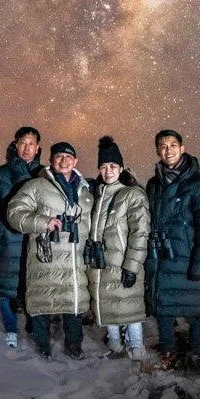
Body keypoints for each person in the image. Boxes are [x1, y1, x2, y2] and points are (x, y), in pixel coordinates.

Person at [4, 139, 93, 359]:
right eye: (59, 157)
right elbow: (14, 213)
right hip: (46, 257)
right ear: (51, 161)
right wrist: (43, 222)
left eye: (68, 157)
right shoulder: (35, 186)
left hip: (74, 259)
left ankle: (74, 347)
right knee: (42, 303)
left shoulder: (85, 190)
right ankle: (42, 349)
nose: (64, 161)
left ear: (76, 161)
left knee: (73, 304)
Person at [146, 128, 200, 367]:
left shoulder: (198, 184)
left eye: (173, 145)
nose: (168, 150)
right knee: (163, 308)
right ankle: (169, 350)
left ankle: (197, 353)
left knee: (194, 310)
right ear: (158, 151)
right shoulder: (154, 184)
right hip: (162, 257)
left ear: (182, 148)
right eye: (163, 146)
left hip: (188, 258)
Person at [84, 135, 153, 361]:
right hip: (102, 262)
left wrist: (132, 266)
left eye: (113, 166)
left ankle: (137, 347)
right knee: (108, 302)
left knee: (129, 306)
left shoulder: (132, 194)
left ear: (121, 167)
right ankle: (115, 344)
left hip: (123, 262)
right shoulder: (98, 194)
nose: (108, 171)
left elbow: (140, 233)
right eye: (103, 167)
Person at [0, 125, 42, 355]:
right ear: (15, 144)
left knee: (34, 288)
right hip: (8, 242)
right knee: (7, 291)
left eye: (31, 143)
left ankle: (35, 331)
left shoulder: (43, 174)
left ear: (38, 148)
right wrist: (1, 230)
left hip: (35, 244)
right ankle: (11, 332)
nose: (26, 148)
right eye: (22, 142)